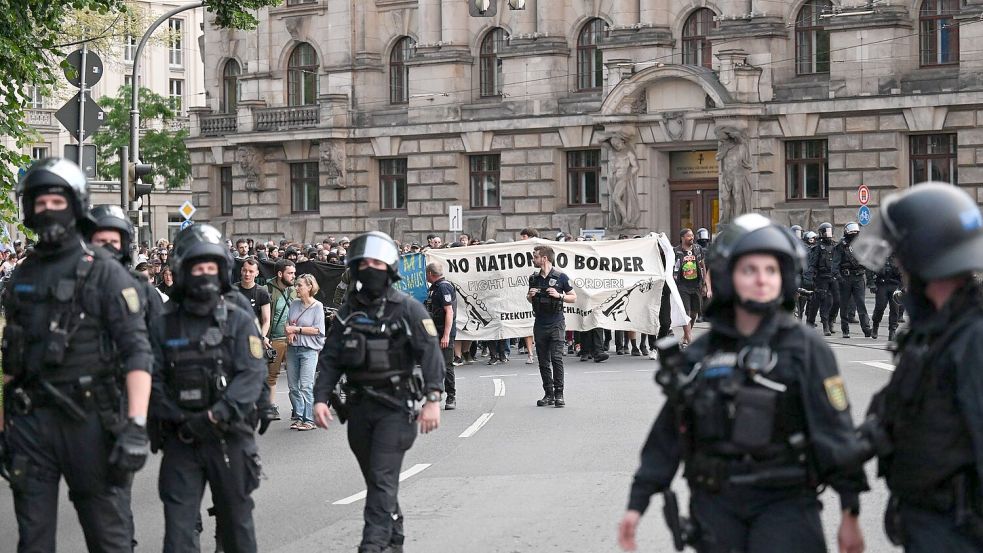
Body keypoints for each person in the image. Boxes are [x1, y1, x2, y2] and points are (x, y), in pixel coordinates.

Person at [618, 213, 868, 553]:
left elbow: (835, 430)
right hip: (717, 505)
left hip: (787, 505)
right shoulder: (703, 353)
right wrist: (638, 502)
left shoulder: (805, 348)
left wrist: (850, 511)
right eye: (750, 270)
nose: (762, 280)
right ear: (728, 276)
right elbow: (670, 431)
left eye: (770, 270)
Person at [1, 158, 153, 552]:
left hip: (91, 422)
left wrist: (135, 425)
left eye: (56, 201)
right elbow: (10, 361)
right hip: (31, 422)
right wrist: (3, 428)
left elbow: (137, 352)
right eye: (39, 203)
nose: (48, 210)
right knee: (32, 540)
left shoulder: (106, 273)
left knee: (108, 537)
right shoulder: (22, 276)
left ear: (75, 204)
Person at [852, 182, 983, 552]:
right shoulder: (934, 333)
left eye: (900, 258)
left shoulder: (972, 339)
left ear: (923, 259)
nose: (898, 268)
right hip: (929, 523)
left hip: (959, 530)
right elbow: (899, 407)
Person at [312, 231, 444, 553]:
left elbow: (430, 354)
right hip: (358, 410)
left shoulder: (408, 309)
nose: (370, 267)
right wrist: (319, 398)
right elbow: (330, 358)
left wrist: (433, 400)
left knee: (382, 479)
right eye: (364, 262)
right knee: (376, 481)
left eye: (377, 262)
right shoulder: (346, 314)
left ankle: (372, 545)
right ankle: (394, 534)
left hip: (396, 410)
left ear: (389, 267)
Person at [149, 223, 266, 553]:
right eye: (197, 267)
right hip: (181, 440)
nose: (204, 274)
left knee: (237, 530)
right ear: (183, 270)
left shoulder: (238, 319)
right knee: (179, 533)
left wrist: (216, 415)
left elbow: (251, 374)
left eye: (211, 267)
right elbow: (151, 378)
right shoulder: (163, 323)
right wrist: (178, 417)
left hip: (228, 438)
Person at [527, 244, 576, 407]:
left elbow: (573, 297)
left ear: (544, 258)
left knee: (556, 358)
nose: (533, 259)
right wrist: (530, 295)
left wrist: (559, 295)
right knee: (543, 361)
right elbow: (529, 298)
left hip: (556, 323)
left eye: (535, 256)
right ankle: (548, 393)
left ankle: (559, 394)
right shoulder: (534, 278)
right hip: (540, 323)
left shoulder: (561, 277)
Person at [285, 273, 326, 431]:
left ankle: (309, 420)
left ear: (310, 287)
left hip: (309, 349)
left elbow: (318, 330)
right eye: (296, 285)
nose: (297, 288)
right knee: (293, 386)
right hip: (293, 348)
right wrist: (289, 332)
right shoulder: (294, 303)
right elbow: (288, 323)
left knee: (306, 386)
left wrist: (297, 329)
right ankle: (300, 417)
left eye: (300, 285)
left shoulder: (318, 306)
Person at [266, 259, 297, 419]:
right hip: (275, 339)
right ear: (280, 274)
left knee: (295, 375)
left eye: (294, 273)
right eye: (290, 273)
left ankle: (297, 409)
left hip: (294, 339)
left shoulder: (295, 291)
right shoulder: (267, 290)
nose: (293, 276)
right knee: (271, 375)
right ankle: (270, 407)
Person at [425, 261, 458, 410]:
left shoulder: (444, 287)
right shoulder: (434, 288)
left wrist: (445, 335)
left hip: (443, 332)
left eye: (426, 274)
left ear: (430, 274)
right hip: (433, 331)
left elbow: (449, 311)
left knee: (446, 365)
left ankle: (451, 396)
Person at [673, 228, 711, 346]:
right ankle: (689, 339)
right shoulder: (677, 251)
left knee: (694, 314)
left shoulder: (697, 249)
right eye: (689, 236)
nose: (692, 238)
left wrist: (705, 283)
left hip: (696, 285)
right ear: (682, 238)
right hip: (682, 285)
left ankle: (685, 335)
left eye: (692, 236)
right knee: (686, 313)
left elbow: (702, 265)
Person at [833, 222, 871, 339]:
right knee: (844, 305)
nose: (854, 233)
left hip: (859, 277)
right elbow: (835, 264)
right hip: (845, 278)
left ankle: (866, 328)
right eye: (852, 231)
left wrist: (870, 280)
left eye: (855, 231)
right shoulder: (841, 246)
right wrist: (839, 277)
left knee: (861, 303)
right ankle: (845, 330)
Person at [806, 222, 837, 336]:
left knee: (836, 300)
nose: (828, 234)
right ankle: (822, 324)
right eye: (826, 232)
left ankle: (830, 321)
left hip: (833, 277)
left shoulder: (835, 246)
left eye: (830, 231)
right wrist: (809, 277)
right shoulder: (818, 247)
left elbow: (838, 262)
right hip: (821, 278)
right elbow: (813, 263)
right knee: (820, 300)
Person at [236, 257, 272, 343]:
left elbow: (266, 320)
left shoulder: (262, 292)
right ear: (241, 271)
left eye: (251, 271)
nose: (247, 274)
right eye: (245, 270)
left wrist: (261, 337)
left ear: (257, 273)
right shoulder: (233, 290)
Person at [868, 252, 901, 341]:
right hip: (881, 284)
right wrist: (871, 283)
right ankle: (875, 326)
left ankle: (892, 330)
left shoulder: (899, 253)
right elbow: (870, 268)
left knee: (895, 309)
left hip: (895, 285)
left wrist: (904, 285)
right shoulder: (879, 252)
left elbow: (905, 270)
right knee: (880, 307)